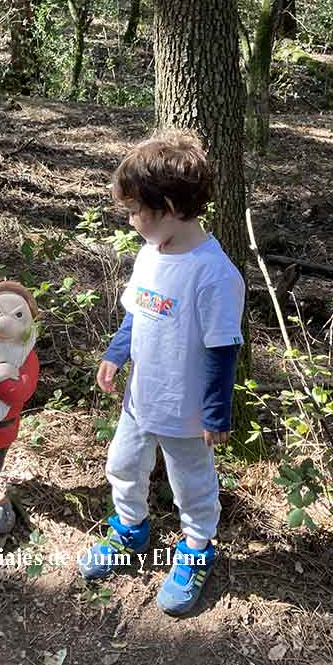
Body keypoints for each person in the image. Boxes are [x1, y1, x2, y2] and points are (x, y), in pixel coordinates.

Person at [78, 130, 245, 616]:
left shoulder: (213, 274)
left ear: (169, 205)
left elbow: (222, 349)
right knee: (123, 465)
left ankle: (197, 547)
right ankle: (131, 532)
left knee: (191, 482)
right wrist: (116, 353)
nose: (131, 223)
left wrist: (215, 415)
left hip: (186, 409)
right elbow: (138, 310)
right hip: (140, 398)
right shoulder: (152, 252)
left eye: (136, 212)